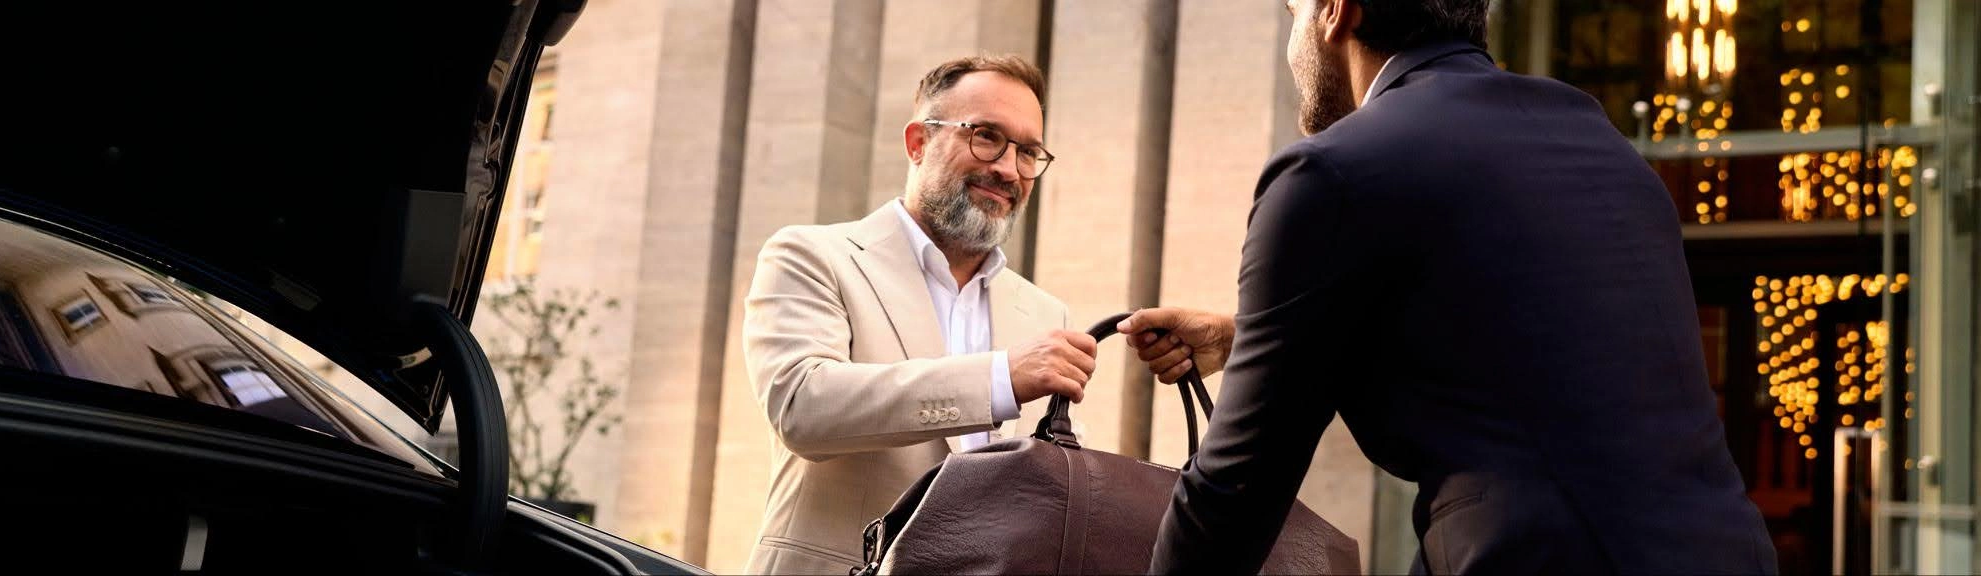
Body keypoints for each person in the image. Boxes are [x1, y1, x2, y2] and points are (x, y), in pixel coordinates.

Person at [1122, 1, 1778, 573]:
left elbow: (1237, 489)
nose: (1292, 44)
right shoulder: (1600, 144)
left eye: (1292, 12)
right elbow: (1522, 356)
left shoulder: (1329, 172)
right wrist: (1249, 340)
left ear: (1335, 11)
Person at [739, 54, 1097, 575]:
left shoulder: (1045, 312)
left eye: (1028, 152)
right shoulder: (811, 256)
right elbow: (802, 406)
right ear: (918, 142)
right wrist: (999, 377)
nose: (1007, 169)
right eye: (986, 136)